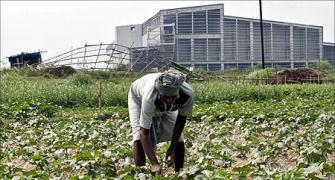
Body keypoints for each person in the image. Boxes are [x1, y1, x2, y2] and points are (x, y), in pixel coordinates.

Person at [128, 70, 194, 174]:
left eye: (173, 97)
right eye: (166, 97)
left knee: (179, 139)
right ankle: (140, 174)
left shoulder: (187, 95)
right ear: (159, 92)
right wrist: (154, 163)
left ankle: (179, 173)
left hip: (163, 105)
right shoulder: (149, 97)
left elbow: (181, 120)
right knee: (138, 137)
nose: (170, 100)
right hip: (138, 99)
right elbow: (143, 133)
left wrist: (172, 148)